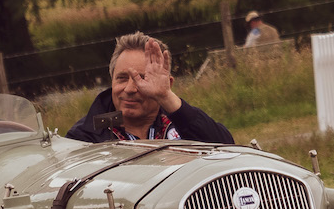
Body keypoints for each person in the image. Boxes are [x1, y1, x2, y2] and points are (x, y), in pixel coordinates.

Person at [67, 32, 234, 144]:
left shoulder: (183, 121)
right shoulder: (83, 138)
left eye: (142, 79)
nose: (130, 89)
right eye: (122, 78)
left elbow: (227, 148)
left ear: (167, 85)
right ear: (111, 81)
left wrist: (166, 97)